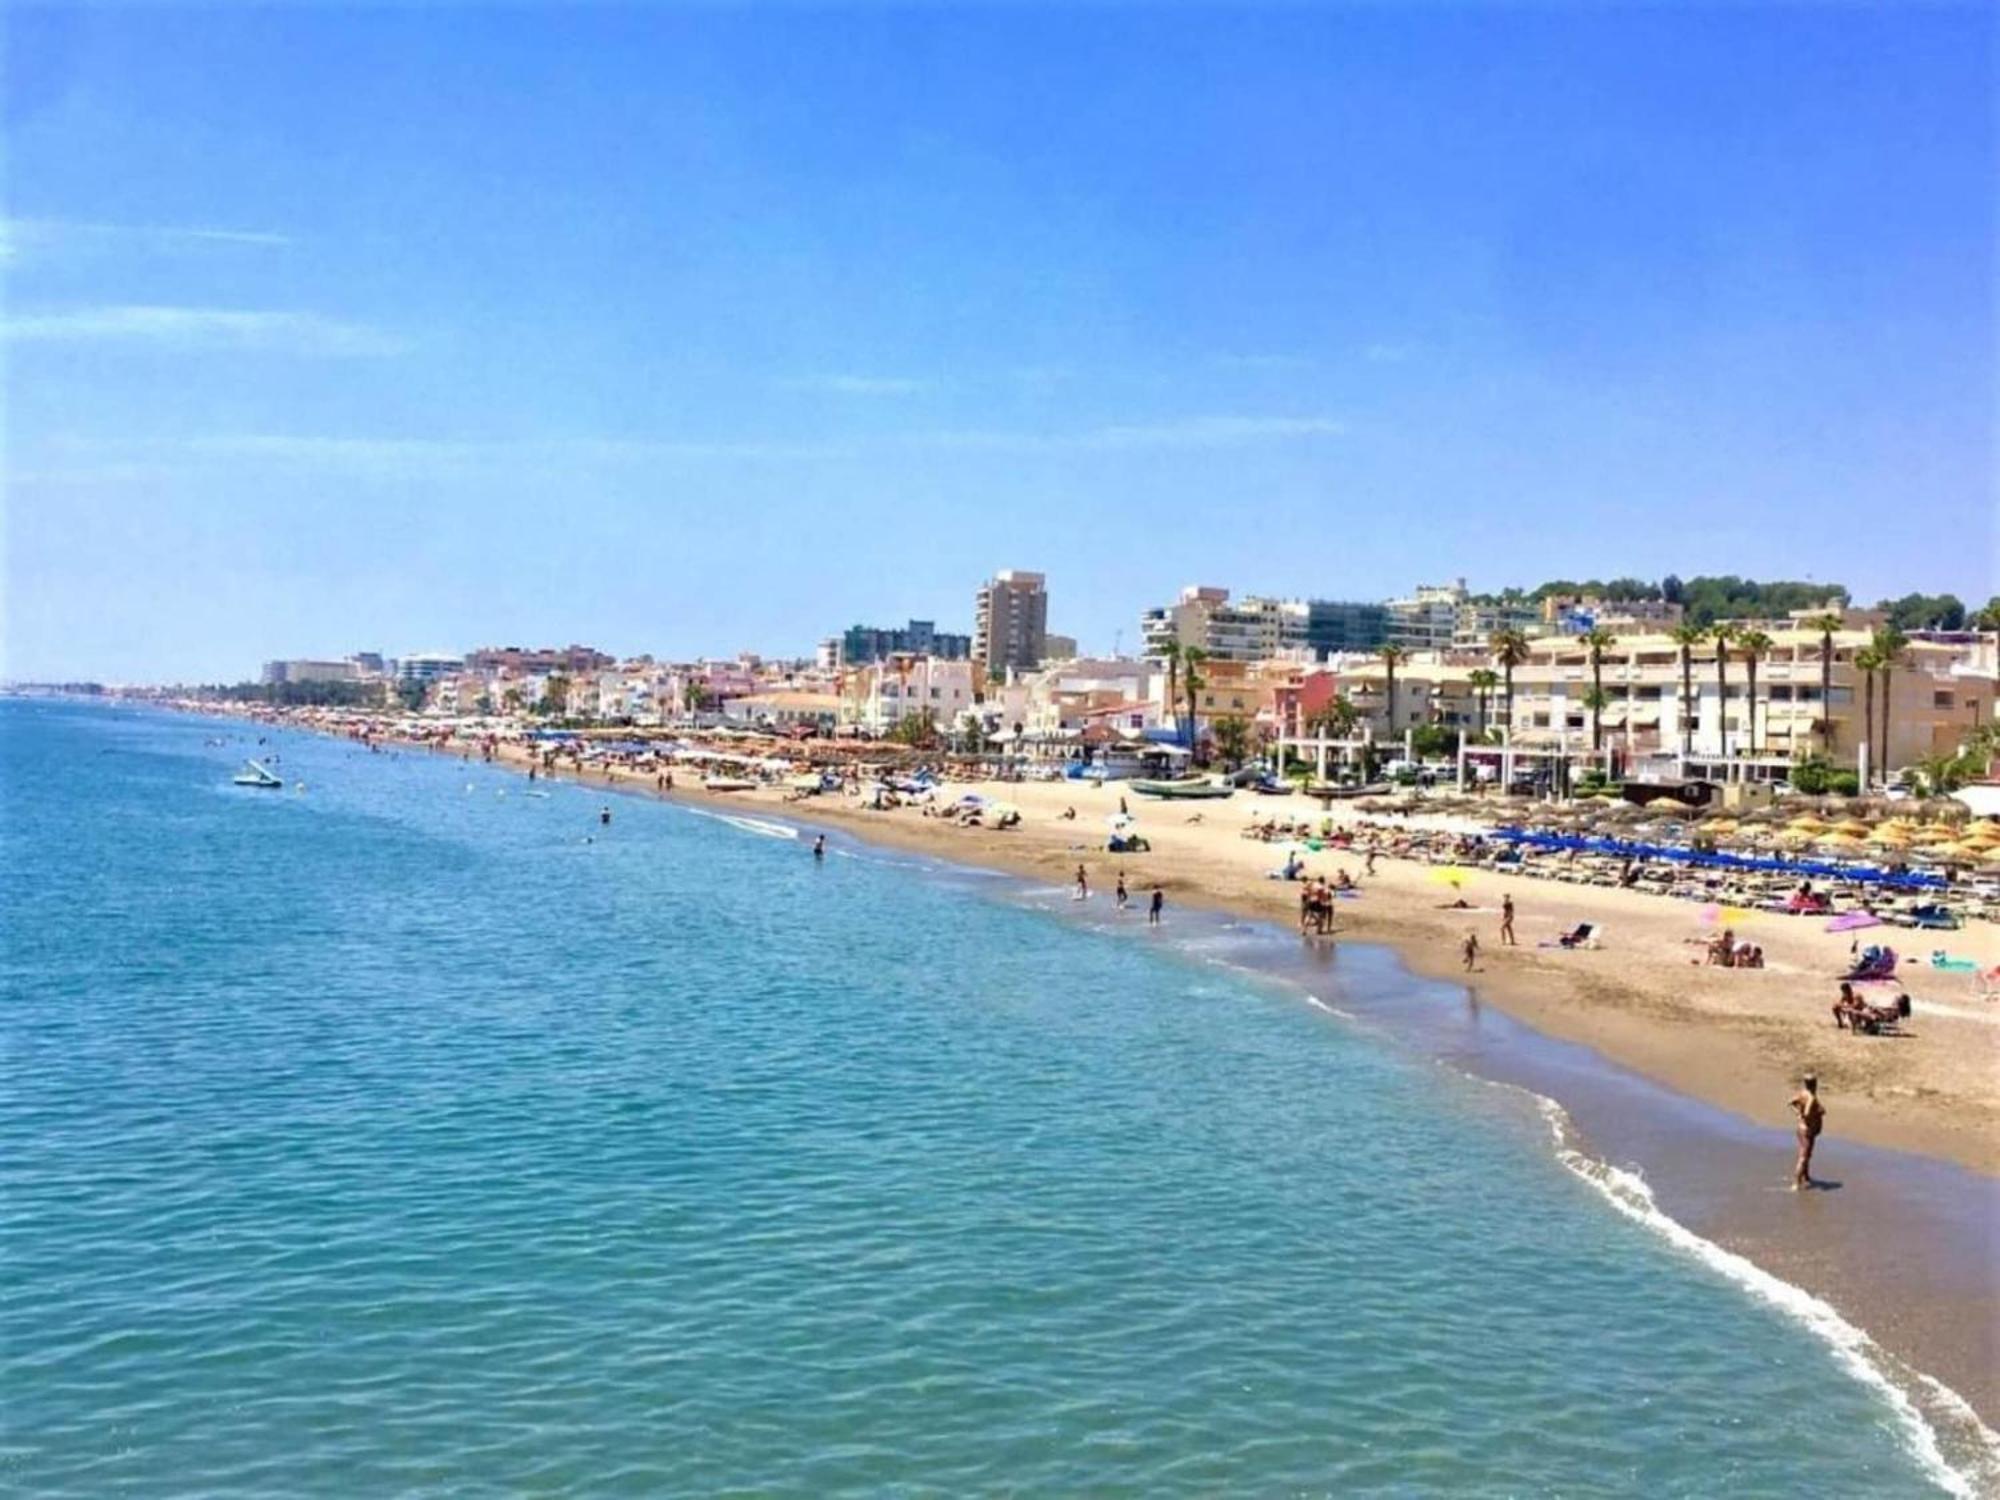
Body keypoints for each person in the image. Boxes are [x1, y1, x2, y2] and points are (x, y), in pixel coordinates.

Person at [1789, 1073, 1825, 1189]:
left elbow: (1790, 1102)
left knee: (1807, 1154)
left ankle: (1805, 1176)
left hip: (1801, 1128)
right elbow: (1807, 1113)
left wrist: (1797, 1113)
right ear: (1815, 1084)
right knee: (1803, 1157)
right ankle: (1796, 1182)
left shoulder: (1802, 1093)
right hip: (1807, 1130)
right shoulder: (1811, 1098)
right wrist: (1817, 1113)